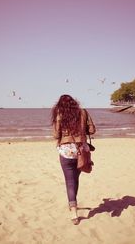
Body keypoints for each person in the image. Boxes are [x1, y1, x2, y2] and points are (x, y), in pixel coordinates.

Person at [51, 94, 96, 225]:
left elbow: (55, 134)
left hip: (66, 151)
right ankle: (73, 204)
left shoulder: (59, 114)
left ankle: (74, 212)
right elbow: (92, 130)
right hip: (81, 150)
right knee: (75, 179)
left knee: (69, 181)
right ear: (75, 102)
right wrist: (82, 130)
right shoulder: (83, 112)